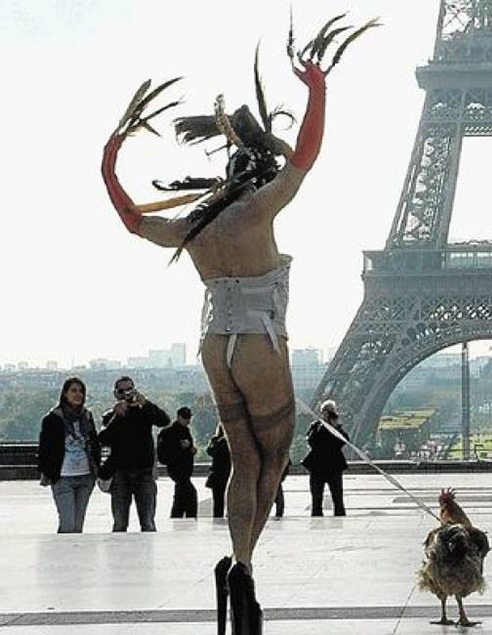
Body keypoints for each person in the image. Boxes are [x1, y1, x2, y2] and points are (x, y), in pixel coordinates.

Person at [100, 18, 377, 632]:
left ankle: (237, 560)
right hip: (259, 343)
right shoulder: (258, 207)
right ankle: (244, 567)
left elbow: (131, 219)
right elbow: (305, 156)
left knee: (240, 460)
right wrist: (318, 91)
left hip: (213, 345)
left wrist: (109, 163)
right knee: (272, 456)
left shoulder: (194, 227)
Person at [98, 376, 170, 532]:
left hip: (143, 471)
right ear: (116, 394)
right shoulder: (111, 416)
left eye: (129, 390)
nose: (126, 394)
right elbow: (104, 438)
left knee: (148, 523)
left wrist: (145, 403)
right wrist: (117, 416)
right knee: (120, 523)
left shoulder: (144, 410)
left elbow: (164, 420)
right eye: (121, 391)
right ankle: (119, 554)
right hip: (120, 473)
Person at [38, 377, 102, 533]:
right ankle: (61, 555)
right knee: (68, 524)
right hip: (63, 477)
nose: (78, 394)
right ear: (65, 394)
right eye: (73, 391)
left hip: (85, 476)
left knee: (78, 526)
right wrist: (49, 473)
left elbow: (94, 443)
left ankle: (75, 556)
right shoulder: (52, 419)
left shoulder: (87, 416)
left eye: (81, 391)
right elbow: (44, 449)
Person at [302, 400, 349, 517]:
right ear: (322, 412)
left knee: (338, 499)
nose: (329, 414)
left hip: (332, 466)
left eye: (332, 412)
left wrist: (335, 426)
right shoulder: (316, 426)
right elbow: (312, 442)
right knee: (316, 500)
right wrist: (323, 426)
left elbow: (344, 441)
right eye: (327, 412)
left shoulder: (337, 428)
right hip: (319, 466)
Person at [157, 406, 198, 518]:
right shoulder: (168, 432)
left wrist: (191, 449)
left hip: (186, 469)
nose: (187, 421)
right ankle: (190, 518)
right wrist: (179, 447)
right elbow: (163, 453)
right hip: (176, 469)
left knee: (181, 496)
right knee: (190, 494)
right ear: (179, 417)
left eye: (189, 418)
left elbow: (188, 448)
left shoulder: (186, 431)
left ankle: (177, 517)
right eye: (185, 418)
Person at [205, 423, 231, 519]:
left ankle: (220, 516)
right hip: (222, 474)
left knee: (219, 501)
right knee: (219, 501)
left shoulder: (216, 441)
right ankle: (219, 517)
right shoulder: (216, 440)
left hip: (221, 474)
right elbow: (210, 451)